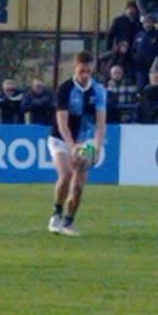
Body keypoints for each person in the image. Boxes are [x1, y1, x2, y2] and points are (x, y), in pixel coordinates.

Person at [45, 51, 108, 237]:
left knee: (79, 184)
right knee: (65, 174)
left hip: (84, 140)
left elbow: (100, 123)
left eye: (88, 71)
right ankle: (56, 214)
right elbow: (62, 123)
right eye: (82, 71)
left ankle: (68, 222)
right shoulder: (65, 89)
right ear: (75, 68)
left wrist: (95, 146)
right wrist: (72, 147)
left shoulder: (98, 91)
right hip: (60, 139)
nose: (85, 75)